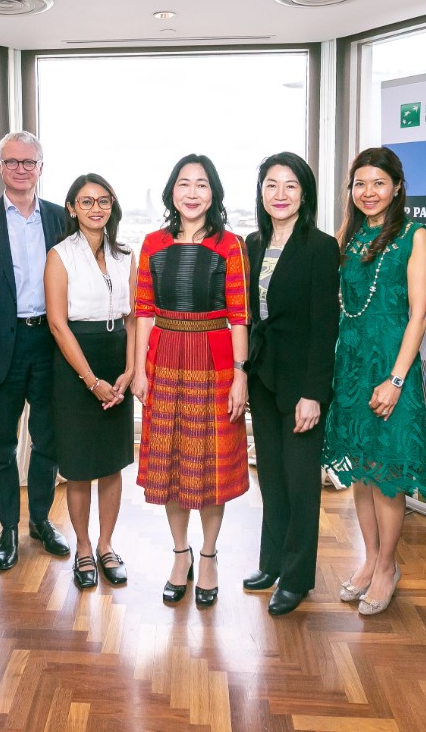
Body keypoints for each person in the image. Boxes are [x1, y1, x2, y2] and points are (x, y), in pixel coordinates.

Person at [131, 154, 250, 607]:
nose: (193, 192)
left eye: (202, 184)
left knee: (212, 463)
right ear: (172, 192)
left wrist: (240, 375)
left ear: (213, 193)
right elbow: (144, 311)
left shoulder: (230, 244)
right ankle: (180, 554)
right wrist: (139, 369)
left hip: (215, 363)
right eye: (184, 183)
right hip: (164, 361)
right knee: (171, 461)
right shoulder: (152, 243)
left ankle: (209, 554)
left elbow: (239, 316)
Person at [323, 147, 426, 616]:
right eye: (360, 184)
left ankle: (387, 567)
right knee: (361, 472)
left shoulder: (414, 235)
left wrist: (395, 379)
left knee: (387, 475)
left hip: (392, 366)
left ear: (397, 187)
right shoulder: (345, 237)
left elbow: (420, 314)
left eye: (379, 183)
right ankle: (369, 559)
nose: (368, 193)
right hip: (350, 366)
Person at [0, 131, 70, 572]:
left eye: (29, 162)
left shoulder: (61, 218)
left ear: (41, 168)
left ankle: (40, 521)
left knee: (48, 440)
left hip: (50, 343)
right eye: (12, 162)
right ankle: (7, 528)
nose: (20, 169)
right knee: (2, 445)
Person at [242, 152, 338, 616]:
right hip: (263, 376)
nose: (280, 194)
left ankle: (296, 578)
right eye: (271, 185)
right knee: (272, 477)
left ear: (305, 194)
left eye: (290, 186)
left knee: (300, 483)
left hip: (302, 383)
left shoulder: (320, 247)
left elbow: (325, 327)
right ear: (261, 192)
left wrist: (314, 394)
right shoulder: (252, 243)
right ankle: (271, 562)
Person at [44, 174, 137, 589]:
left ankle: (106, 544)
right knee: (80, 466)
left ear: (112, 205)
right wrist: (91, 380)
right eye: (86, 201)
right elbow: (57, 324)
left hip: (117, 360)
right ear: (72, 208)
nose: (95, 208)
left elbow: (134, 318)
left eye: (102, 200)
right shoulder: (60, 255)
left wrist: (129, 371)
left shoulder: (126, 254)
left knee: (112, 464)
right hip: (75, 364)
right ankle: (83, 547)